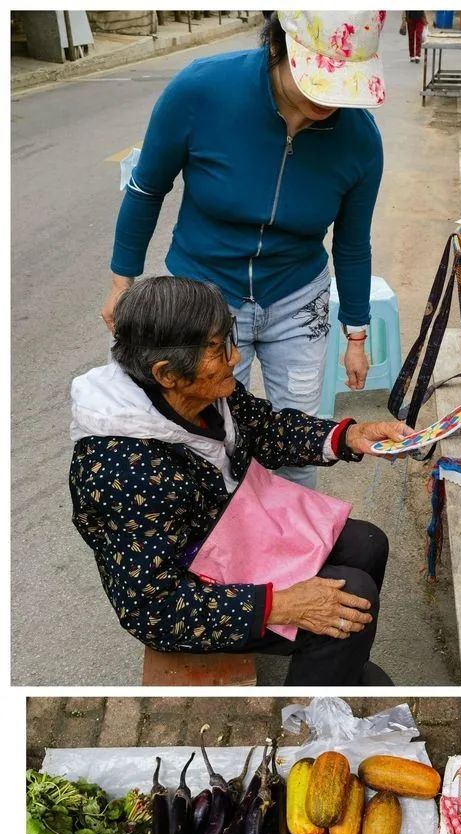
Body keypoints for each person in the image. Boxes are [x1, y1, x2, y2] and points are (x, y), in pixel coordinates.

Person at [72, 277, 409, 687]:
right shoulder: (125, 471)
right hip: (192, 585)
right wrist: (278, 605)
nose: (234, 357)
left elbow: (265, 428)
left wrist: (349, 436)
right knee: (352, 592)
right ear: (166, 374)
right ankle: (308, 711)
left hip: (232, 533)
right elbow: (152, 610)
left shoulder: (202, 392)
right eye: (218, 349)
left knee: (367, 543)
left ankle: (336, 666)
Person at [101, 11, 388, 488]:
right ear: (280, 44)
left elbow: (353, 243)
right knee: (208, 438)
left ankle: (296, 533)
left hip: (297, 298)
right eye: (319, 79)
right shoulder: (202, 90)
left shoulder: (360, 140)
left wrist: (356, 336)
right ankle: (223, 531)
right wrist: (121, 282)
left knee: (302, 440)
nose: (328, 99)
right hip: (205, 295)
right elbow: (147, 188)